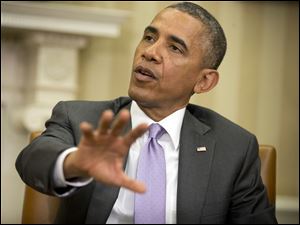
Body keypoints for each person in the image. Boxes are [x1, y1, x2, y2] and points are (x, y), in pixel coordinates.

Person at [16, 2, 277, 224]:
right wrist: (74, 164)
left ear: (204, 81)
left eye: (175, 48)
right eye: (150, 37)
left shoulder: (233, 148)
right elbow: (32, 160)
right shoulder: (80, 118)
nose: (149, 52)